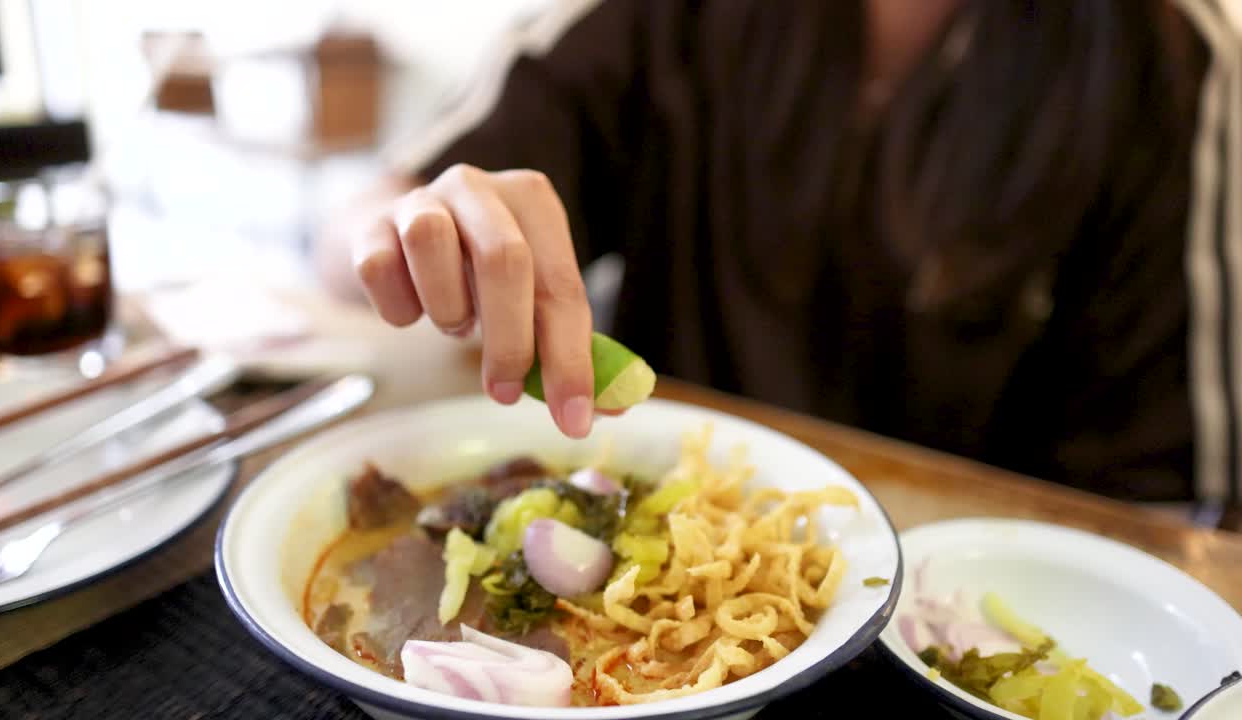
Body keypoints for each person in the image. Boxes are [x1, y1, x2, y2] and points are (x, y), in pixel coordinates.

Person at [318, 0, 1242, 508]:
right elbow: (365, 226)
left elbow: (1166, 506)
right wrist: (402, 232)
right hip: (642, 527)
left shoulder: (1172, 57)